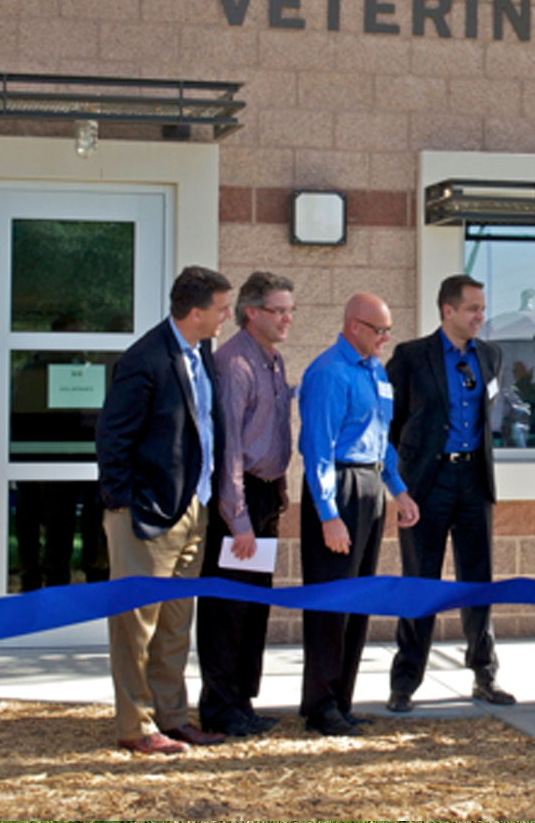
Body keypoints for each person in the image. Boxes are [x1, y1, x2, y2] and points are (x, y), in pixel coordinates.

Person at [95, 265, 233, 755]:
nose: (227, 317)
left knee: (175, 625)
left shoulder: (202, 353)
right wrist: (124, 506)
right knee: (136, 625)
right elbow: (113, 439)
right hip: (146, 516)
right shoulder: (144, 360)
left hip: (192, 510)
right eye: (221, 309)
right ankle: (135, 726)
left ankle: (173, 718)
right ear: (195, 312)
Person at [386, 274, 516, 712]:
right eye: (473, 309)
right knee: (420, 581)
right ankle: (405, 681)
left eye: (482, 308)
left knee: (477, 582)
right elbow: (391, 423)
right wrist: (398, 486)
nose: (481, 316)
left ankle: (485, 674)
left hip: (474, 482)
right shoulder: (411, 357)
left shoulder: (491, 356)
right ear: (448, 311)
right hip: (427, 484)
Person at [298, 292, 421, 736]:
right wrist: (328, 514)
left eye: (389, 330)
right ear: (354, 326)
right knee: (332, 602)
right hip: (340, 488)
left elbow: (380, 438)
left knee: (359, 598)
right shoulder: (330, 373)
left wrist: (398, 490)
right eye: (379, 330)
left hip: (370, 485)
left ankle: (342, 700)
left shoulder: (375, 373)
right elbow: (318, 450)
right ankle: (320, 704)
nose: (386, 338)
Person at [196, 271, 296, 737]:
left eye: (289, 310)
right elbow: (229, 449)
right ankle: (220, 707)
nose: (286, 319)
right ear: (250, 311)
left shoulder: (272, 360)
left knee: (255, 606)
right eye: (277, 310)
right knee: (228, 610)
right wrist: (238, 521)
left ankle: (243, 701)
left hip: (266, 497)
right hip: (241, 502)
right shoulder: (234, 364)